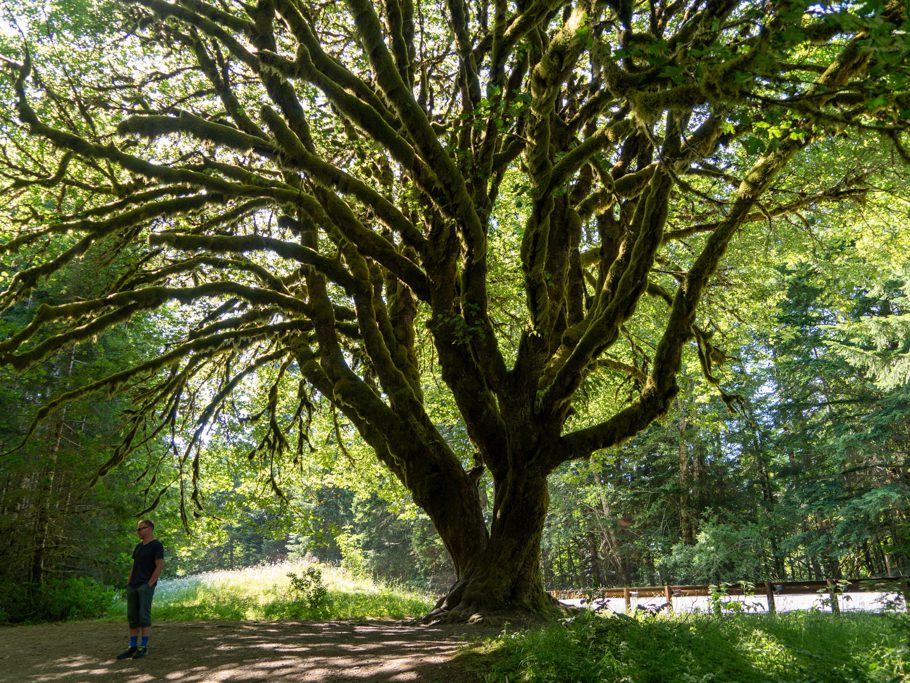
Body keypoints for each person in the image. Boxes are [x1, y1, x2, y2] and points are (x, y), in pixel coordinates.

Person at [116, 520, 164, 660]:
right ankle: (132, 647)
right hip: (133, 586)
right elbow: (134, 566)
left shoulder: (156, 545)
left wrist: (149, 584)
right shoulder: (138, 547)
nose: (138, 532)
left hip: (145, 585)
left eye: (140, 529)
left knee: (144, 616)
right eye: (137, 530)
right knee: (132, 617)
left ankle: (143, 647)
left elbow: (160, 565)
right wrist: (129, 582)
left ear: (149, 529)